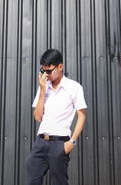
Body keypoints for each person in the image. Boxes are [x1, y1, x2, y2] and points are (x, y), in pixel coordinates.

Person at [25, 49, 87, 185]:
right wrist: (42, 91)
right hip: (41, 143)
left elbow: (82, 116)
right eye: (43, 71)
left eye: (49, 71)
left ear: (60, 66)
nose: (46, 75)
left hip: (59, 144)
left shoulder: (74, 87)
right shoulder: (43, 87)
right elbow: (37, 117)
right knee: (31, 180)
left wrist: (72, 142)